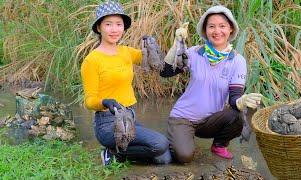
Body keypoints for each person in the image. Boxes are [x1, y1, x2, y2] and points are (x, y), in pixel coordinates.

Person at [160, 5, 263, 162]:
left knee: (237, 116)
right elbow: (165, 72)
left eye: (222, 26)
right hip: (183, 117)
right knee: (183, 157)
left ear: (230, 30)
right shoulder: (195, 53)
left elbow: (234, 100)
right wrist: (177, 45)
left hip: (209, 121)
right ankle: (178, 138)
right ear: (205, 30)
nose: (217, 31)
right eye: (211, 26)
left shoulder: (237, 60)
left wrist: (241, 101)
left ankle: (219, 145)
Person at [80, 0, 171, 166]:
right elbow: (88, 101)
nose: (114, 29)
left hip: (130, 119)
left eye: (118, 24)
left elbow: (154, 62)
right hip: (108, 124)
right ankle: (112, 151)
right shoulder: (91, 61)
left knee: (164, 158)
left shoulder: (126, 52)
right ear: (99, 28)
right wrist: (105, 102)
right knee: (160, 144)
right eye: (108, 24)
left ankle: (119, 154)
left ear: (123, 27)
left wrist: (152, 45)